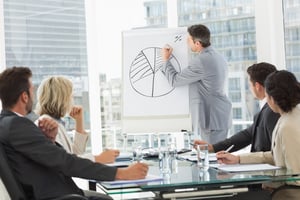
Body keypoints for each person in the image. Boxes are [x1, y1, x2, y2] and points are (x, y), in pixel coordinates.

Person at [0, 66, 149, 200]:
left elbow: (48, 157)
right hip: (56, 195)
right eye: (32, 90)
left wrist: (50, 140)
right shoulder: (18, 125)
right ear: (24, 97)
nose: (34, 97)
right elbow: (64, 160)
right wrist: (120, 174)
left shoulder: (7, 123)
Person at [217, 70, 300, 200]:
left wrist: (271, 184)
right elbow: (276, 156)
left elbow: (296, 176)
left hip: (289, 194)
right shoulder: (287, 117)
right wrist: (238, 159)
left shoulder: (288, 125)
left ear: (272, 98)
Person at [161, 24, 232, 144]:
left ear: (197, 43)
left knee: (213, 157)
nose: (186, 41)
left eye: (188, 39)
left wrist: (166, 60)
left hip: (212, 117)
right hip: (219, 114)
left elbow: (175, 80)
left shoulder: (201, 61)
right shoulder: (218, 56)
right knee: (216, 155)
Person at [193, 62, 280, 153]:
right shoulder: (267, 109)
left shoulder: (272, 111)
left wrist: (239, 159)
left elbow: (275, 152)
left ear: (257, 86)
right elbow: (247, 135)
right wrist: (213, 147)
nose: (250, 89)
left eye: (250, 85)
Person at [35, 76, 119, 164]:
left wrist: (79, 121)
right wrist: (98, 158)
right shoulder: (46, 125)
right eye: (71, 97)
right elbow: (66, 161)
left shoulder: (57, 122)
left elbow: (75, 153)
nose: (72, 101)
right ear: (62, 99)